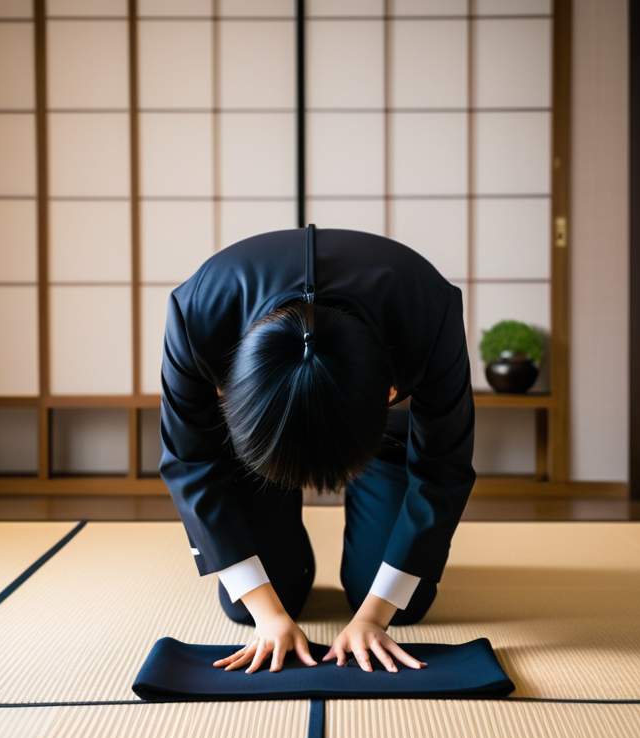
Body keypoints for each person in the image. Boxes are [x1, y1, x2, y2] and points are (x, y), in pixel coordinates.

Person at [159, 225, 475, 676]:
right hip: (258, 445)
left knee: (403, 608)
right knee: (249, 607)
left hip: (381, 442)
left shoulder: (428, 312)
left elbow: (444, 467)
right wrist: (269, 616)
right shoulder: (199, 313)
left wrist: (372, 617)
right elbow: (189, 463)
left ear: (389, 392)